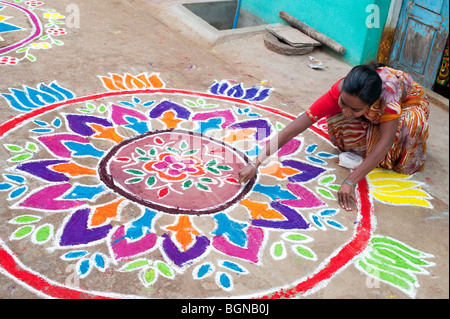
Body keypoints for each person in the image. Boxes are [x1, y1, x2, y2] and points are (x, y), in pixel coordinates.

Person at [238, 62, 430, 211]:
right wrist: (256, 162)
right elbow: (294, 128)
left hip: (408, 105)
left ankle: (386, 152)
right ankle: (368, 137)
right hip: (373, 111)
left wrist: (351, 181)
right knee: (336, 120)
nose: (346, 111)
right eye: (343, 103)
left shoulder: (388, 95)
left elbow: (386, 141)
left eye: (355, 109)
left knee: (409, 123)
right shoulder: (343, 88)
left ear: (372, 105)